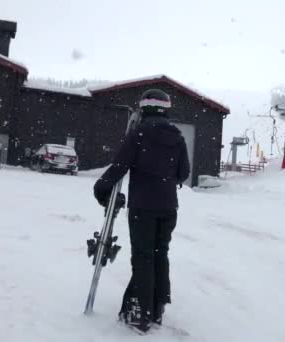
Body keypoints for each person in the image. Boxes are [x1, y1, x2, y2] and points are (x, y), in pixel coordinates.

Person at [93, 89, 190, 333]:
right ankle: (157, 307)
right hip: (168, 207)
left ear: (143, 108)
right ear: (166, 108)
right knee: (160, 254)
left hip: (143, 207)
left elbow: (119, 166)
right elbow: (183, 173)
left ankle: (140, 312)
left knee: (143, 257)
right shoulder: (177, 137)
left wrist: (102, 189)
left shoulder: (138, 134)